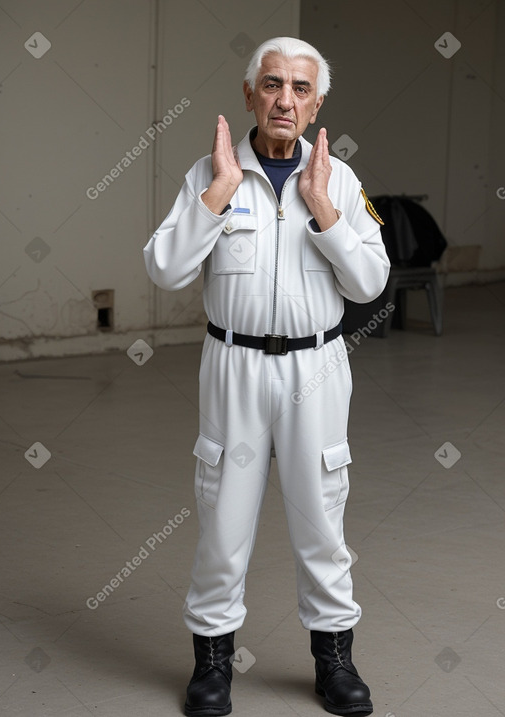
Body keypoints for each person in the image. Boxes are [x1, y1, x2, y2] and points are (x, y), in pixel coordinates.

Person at [144, 36, 389, 717]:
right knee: (223, 520)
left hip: (317, 365)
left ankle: (334, 662)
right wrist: (218, 194)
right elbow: (164, 269)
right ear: (250, 94)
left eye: (301, 88)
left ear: (317, 104)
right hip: (235, 364)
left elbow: (371, 280)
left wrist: (324, 209)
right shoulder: (211, 171)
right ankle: (212, 666)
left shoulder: (337, 179)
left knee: (322, 521)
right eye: (273, 84)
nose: (286, 98)